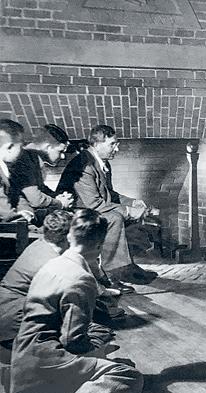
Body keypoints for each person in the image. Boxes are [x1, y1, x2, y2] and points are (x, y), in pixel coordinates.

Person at [9, 209, 143, 393]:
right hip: (46, 364)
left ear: (70, 236)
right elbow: (73, 340)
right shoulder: (81, 278)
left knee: (117, 364)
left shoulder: (51, 264)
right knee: (128, 374)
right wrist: (99, 354)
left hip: (22, 360)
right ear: (99, 246)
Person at [0, 210, 124, 347]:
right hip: (16, 323)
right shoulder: (55, 262)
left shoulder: (41, 243)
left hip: (8, 309)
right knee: (98, 331)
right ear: (69, 238)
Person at [57, 124, 158, 285]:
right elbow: (93, 203)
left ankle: (126, 267)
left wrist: (132, 202)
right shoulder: (83, 165)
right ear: (97, 144)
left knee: (127, 217)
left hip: (92, 208)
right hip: (75, 212)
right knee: (115, 218)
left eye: (116, 144)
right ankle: (112, 274)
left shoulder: (102, 163)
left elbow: (108, 194)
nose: (116, 149)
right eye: (112, 144)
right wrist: (128, 211)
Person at [10, 125, 73, 224]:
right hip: (15, 221)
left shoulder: (32, 157)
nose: (62, 156)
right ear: (47, 147)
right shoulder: (24, 160)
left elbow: (40, 188)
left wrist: (57, 196)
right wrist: (60, 203)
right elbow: (36, 200)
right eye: (60, 151)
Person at [0, 119, 31, 221]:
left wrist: (26, 211)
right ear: (10, 147)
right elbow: (6, 215)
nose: (22, 152)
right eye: (20, 147)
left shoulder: (6, 168)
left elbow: (16, 195)